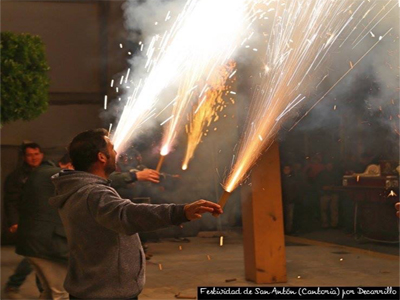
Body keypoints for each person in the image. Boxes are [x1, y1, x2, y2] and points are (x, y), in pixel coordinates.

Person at [49, 129, 223, 299]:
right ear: (101, 157)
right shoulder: (94, 193)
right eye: (111, 148)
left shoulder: (78, 189)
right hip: (105, 292)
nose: (116, 152)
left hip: (91, 288)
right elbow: (128, 214)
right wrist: (180, 212)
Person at [16, 154, 73, 300]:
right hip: (45, 244)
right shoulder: (51, 172)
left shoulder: (41, 172)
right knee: (61, 294)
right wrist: (133, 175)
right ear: (65, 164)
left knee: (49, 292)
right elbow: (89, 178)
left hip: (36, 243)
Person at [4, 143, 44, 297]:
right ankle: (18, 284)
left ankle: (39, 289)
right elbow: (11, 201)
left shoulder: (47, 172)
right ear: (24, 157)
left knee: (38, 255)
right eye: (29, 155)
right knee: (35, 255)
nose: (33, 158)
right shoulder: (17, 176)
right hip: (27, 221)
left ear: (41, 154)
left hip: (44, 221)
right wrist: (14, 222)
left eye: (36, 154)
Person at [316, 162, 341, 229]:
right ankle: (325, 223)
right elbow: (318, 184)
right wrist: (323, 188)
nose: (330, 166)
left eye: (331, 165)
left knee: (334, 209)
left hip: (334, 193)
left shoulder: (336, 174)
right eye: (328, 165)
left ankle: (334, 224)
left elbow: (339, 183)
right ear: (326, 165)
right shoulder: (321, 174)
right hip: (324, 194)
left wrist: (334, 187)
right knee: (324, 209)